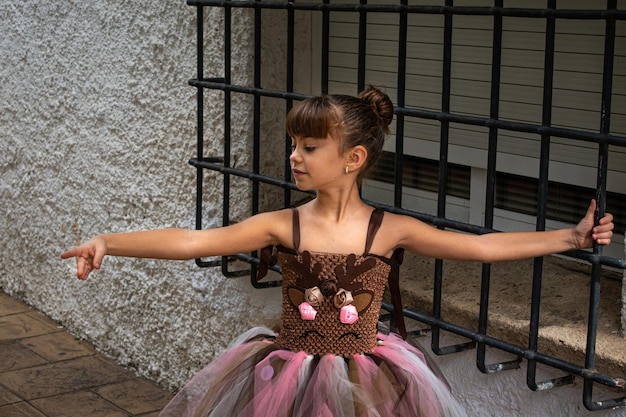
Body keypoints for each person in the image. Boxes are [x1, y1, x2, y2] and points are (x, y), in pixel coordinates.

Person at [61, 86, 614, 417]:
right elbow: (195, 241)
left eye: (309, 147)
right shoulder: (283, 224)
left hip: (372, 375)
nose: (294, 157)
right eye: (293, 145)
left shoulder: (389, 229)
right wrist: (110, 242)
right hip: (288, 376)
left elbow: (481, 247)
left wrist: (571, 238)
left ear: (352, 158)